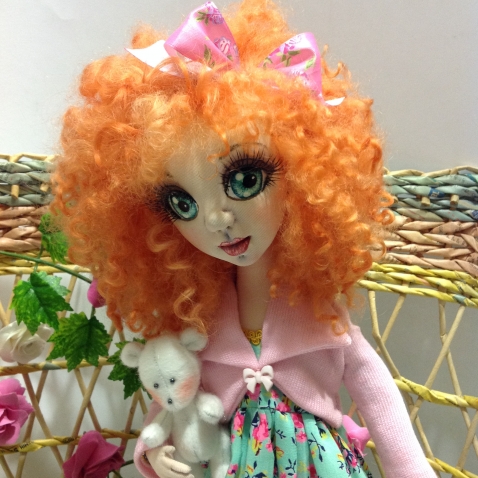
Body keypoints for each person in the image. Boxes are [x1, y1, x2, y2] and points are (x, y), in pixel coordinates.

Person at [52, 0, 436, 476]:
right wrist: (153, 450)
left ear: (305, 178)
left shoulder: (317, 313)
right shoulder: (201, 322)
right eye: (182, 204)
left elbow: (374, 388)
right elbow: (174, 398)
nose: (217, 220)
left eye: (245, 180)